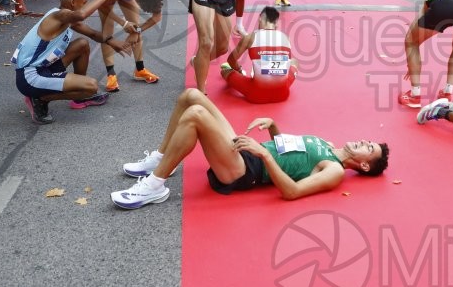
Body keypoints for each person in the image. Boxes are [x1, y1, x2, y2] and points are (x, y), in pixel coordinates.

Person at [110, 88, 389, 209]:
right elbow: (291, 153)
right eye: (368, 140)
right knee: (191, 96)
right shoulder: (327, 145)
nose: (364, 141)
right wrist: (273, 126)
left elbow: (292, 192)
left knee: (196, 114)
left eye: (369, 148)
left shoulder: (335, 171)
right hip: (247, 150)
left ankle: (155, 185)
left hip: (245, 170)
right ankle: (161, 158)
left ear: (364, 165)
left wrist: (264, 154)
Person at [12, 0, 133, 124]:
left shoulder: (66, 19)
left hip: (43, 68)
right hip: (30, 77)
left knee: (82, 44)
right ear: (72, 2)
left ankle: (77, 95)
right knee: (91, 86)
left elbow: (93, 34)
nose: (85, 6)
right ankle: (40, 98)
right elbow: (81, 15)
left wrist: (114, 42)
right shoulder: (58, 15)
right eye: (83, 2)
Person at [89, 0, 163, 92]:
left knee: (135, 25)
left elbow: (157, 17)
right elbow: (103, 8)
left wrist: (137, 31)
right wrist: (123, 23)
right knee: (107, 28)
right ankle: (111, 74)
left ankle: (140, 70)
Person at [220, 6, 297, 104]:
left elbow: (231, 60)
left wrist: (239, 70)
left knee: (224, 71)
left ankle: (245, 73)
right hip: (283, 94)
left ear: (260, 18)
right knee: (295, 62)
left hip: (256, 94)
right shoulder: (286, 38)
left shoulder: (250, 37)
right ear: (276, 23)